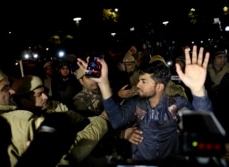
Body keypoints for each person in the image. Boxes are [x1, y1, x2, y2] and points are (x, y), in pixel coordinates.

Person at [77, 45, 213, 163]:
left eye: (144, 81)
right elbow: (117, 121)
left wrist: (198, 90)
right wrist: (104, 83)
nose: (137, 84)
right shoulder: (136, 103)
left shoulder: (176, 104)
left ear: (159, 87)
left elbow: (200, 127)